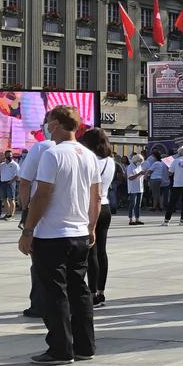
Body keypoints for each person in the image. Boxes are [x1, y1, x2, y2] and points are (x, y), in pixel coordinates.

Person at [18, 105, 101, 365]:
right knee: (80, 291)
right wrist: (91, 227)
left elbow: (42, 194)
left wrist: (28, 229)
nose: (47, 127)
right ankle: (85, 345)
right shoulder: (89, 156)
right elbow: (96, 196)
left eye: (49, 122)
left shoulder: (53, 154)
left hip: (52, 233)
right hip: (79, 232)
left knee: (54, 293)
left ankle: (60, 349)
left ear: (57, 123)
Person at [17, 133, 58, 318]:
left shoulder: (41, 148)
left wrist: (25, 211)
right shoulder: (80, 150)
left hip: (42, 214)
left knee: (39, 263)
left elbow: (25, 182)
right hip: (73, 218)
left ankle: (40, 304)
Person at [81, 128, 115, 307]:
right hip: (106, 207)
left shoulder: (90, 160)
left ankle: (92, 292)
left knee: (91, 252)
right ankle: (101, 292)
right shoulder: (111, 161)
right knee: (102, 251)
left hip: (91, 206)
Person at [163, 146, 183, 226]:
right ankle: (182, 220)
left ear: (179, 153)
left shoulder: (175, 161)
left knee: (172, 202)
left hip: (177, 184)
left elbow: (170, 173)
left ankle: (166, 221)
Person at [0, 150, 20, 220]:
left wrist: (11, 181)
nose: (10, 156)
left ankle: (11, 215)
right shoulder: (2, 165)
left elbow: (18, 175)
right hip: (3, 183)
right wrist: (0, 160)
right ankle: (8, 214)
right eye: (8, 155)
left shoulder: (15, 164)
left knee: (11, 199)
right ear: (5, 156)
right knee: (4, 199)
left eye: (11, 155)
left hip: (10, 183)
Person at [145, 147, 169, 211]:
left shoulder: (156, 163)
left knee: (155, 194)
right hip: (160, 179)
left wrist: (146, 176)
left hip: (154, 179)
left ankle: (154, 207)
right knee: (158, 194)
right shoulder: (161, 163)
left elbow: (149, 171)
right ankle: (160, 206)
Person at [125, 153, 146, 225]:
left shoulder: (139, 166)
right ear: (136, 160)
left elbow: (140, 175)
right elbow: (130, 178)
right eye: (139, 161)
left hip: (140, 187)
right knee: (132, 204)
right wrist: (139, 173)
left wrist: (144, 174)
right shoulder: (130, 167)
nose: (140, 162)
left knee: (138, 204)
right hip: (133, 188)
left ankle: (137, 218)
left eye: (141, 161)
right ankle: (131, 219)